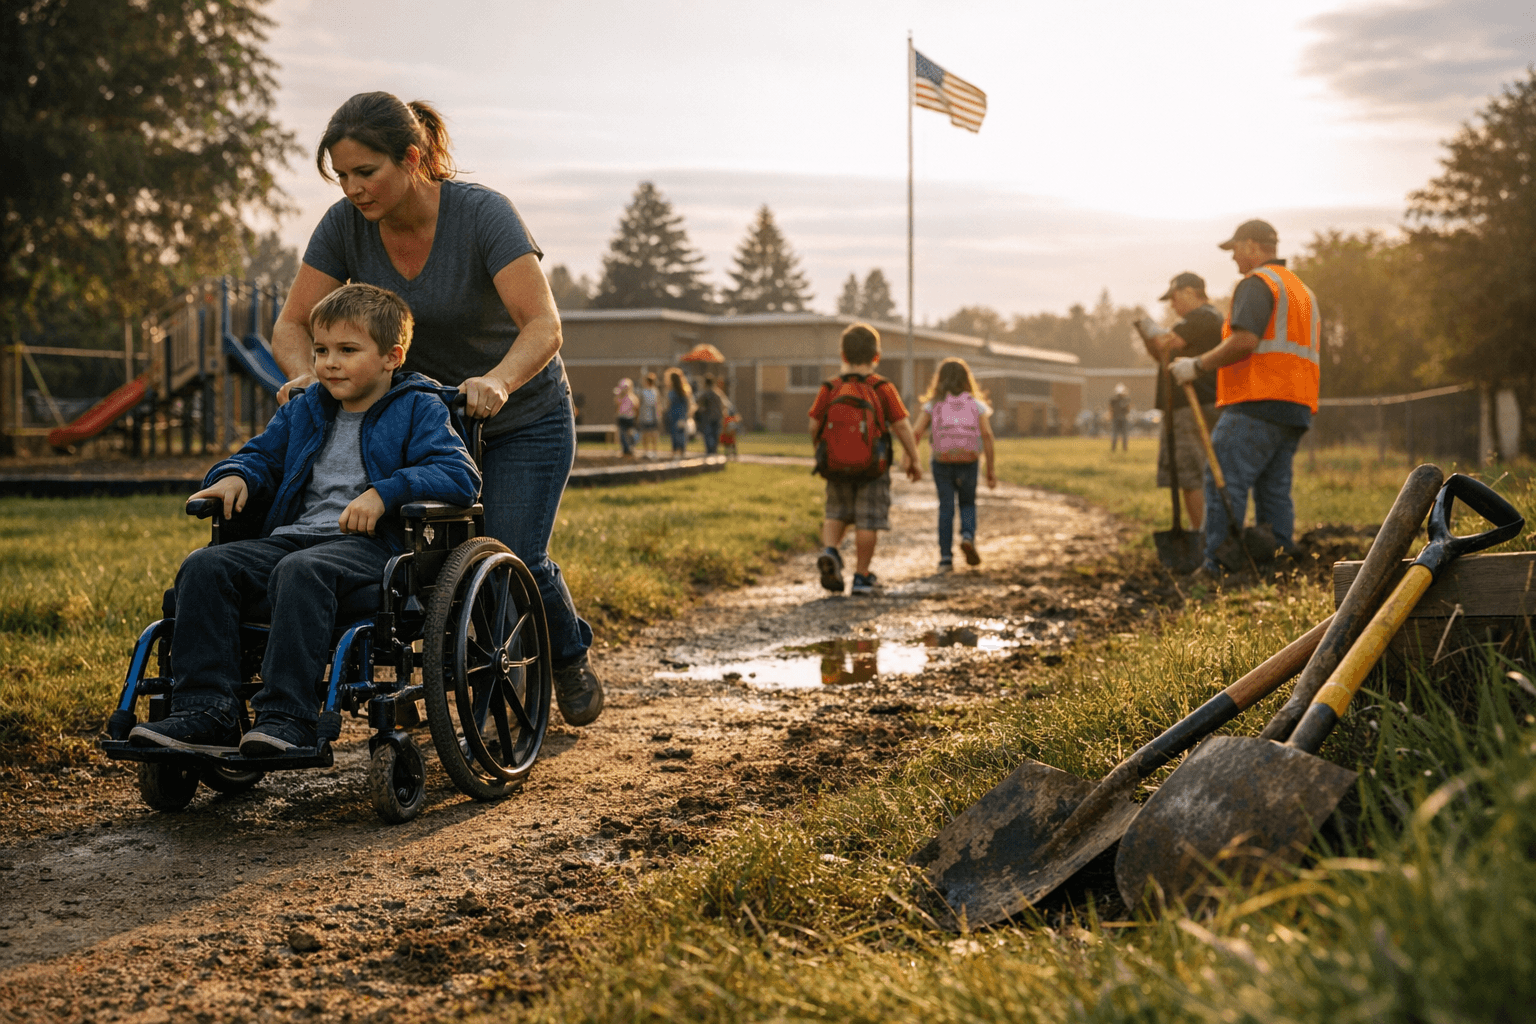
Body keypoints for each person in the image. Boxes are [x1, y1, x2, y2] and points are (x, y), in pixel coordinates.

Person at [269, 92, 603, 727]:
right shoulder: (343, 226)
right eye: (341, 175)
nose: (352, 188)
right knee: (425, 567)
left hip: (520, 415)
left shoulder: (483, 215)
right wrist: (306, 378)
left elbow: (543, 325)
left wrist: (498, 381)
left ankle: (561, 655)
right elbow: (292, 324)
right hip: (423, 423)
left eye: (366, 172)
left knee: (511, 552)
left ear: (412, 159)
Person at [130, 284, 479, 755]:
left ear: (391, 357)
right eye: (321, 351)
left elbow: (459, 475)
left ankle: (287, 717)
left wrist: (385, 493)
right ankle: (206, 711)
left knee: (301, 571)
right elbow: (261, 456)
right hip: (293, 539)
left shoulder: (419, 407)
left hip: (373, 547)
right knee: (205, 566)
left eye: (347, 350)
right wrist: (235, 476)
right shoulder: (305, 408)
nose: (329, 363)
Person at [1171, 219, 1320, 578]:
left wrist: (1196, 365)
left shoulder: (1257, 284)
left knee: (1225, 481)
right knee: (1274, 489)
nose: (1233, 258)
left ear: (1252, 246)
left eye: (1235, 249)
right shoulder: (1302, 291)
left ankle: (1219, 567)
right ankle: (1277, 562)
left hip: (1257, 401)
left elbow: (1244, 341)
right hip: (1296, 405)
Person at [809, 323, 921, 596]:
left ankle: (831, 551)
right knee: (867, 521)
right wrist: (914, 458)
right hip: (873, 468)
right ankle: (861, 577)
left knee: (835, 513)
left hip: (836, 466)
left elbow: (814, 424)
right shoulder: (882, 387)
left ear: (843, 355)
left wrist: (822, 451)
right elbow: (902, 426)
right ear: (876, 356)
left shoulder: (831, 387)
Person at [1142, 271, 1224, 531]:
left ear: (1190, 292)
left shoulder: (1203, 316)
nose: (1172, 305)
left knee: (1191, 475)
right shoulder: (1204, 320)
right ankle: (1206, 533)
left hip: (1192, 408)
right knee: (1196, 474)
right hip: (1191, 407)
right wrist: (1149, 338)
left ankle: (1201, 537)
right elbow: (1162, 355)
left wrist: (1150, 331)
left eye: (1174, 297)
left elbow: (1166, 344)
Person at [910, 358, 997, 572]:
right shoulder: (975, 404)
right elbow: (987, 436)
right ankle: (967, 536)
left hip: (942, 461)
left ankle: (945, 558)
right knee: (967, 503)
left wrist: (909, 459)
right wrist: (990, 470)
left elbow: (917, 432)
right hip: (969, 461)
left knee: (946, 507)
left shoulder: (934, 404)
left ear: (939, 380)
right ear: (967, 380)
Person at [663, 368, 693, 457]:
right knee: (681, 433)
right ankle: (682, 450)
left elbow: (667, 404)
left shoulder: (671, 392)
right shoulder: (685, 390)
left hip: (673, 415)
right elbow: (689, 403)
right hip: (682, 415)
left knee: (674, 434)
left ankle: (675, 451)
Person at [695, 373, 725, 455]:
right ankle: (714, 452)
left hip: (708, 418)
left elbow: (699, 404)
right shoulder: (718, 393)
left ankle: (710, 452)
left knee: (708, 436)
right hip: (717, 417)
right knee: (715, 435)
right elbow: (723, 405)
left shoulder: (705, 393)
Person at [637, 371, 661, 458]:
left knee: (649, 434)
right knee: (649, 434)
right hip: (649, 416)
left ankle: (649, 451)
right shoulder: (653, 391)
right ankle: (651, 451)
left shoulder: (649, 392)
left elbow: (657, 404)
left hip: (649, 415)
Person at [613, 377, 639, 457]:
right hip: (622, 417)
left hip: (630, 418)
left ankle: (631, 448)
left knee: (631, 433)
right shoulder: (620, 397)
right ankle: (625, 450)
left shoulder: (632, 397)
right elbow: (617, 405)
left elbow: (636, 406)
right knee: (622, 434)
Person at [1108, 384, 1131, 451]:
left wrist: (1110, 416)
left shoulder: (1113, 399)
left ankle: (1113, 448)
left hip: (1115, 418)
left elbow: (1110, 409)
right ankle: (1124, 448)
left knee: (1115, 434)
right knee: (1124, 434)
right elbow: (1128, 409)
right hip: (1123, 418)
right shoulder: (1126, 399)